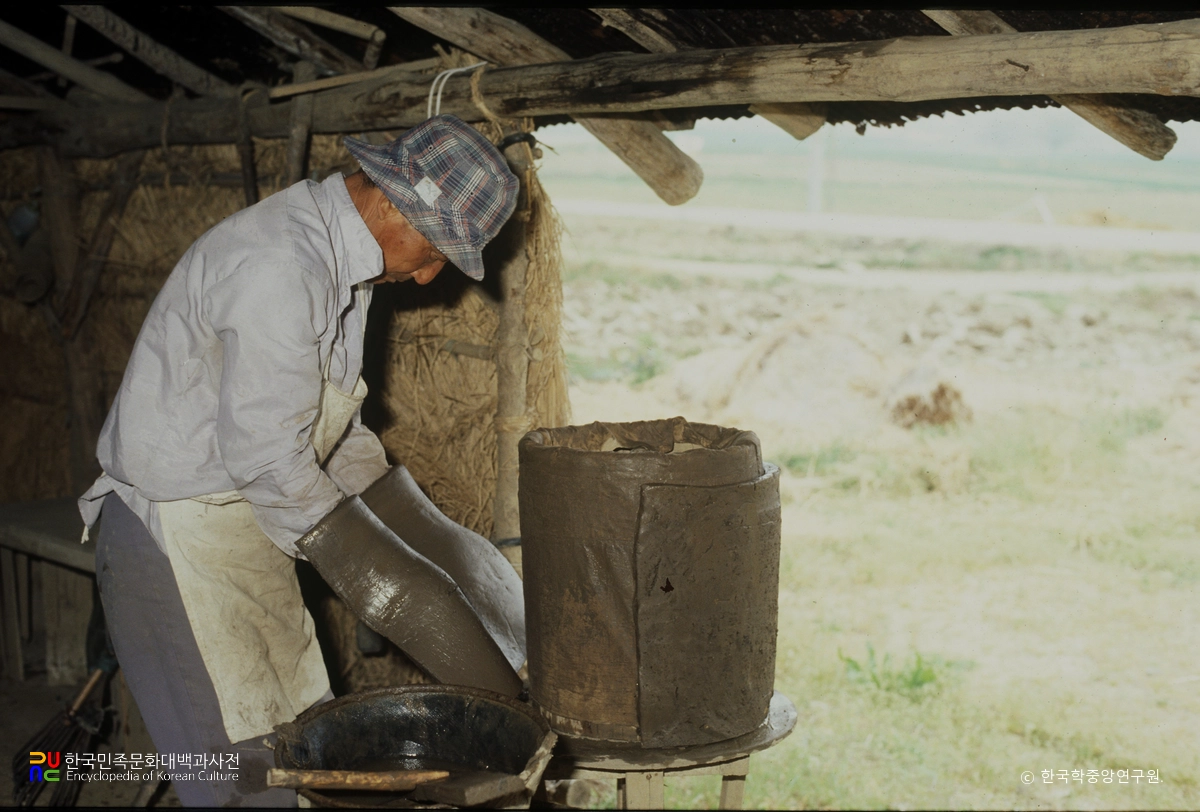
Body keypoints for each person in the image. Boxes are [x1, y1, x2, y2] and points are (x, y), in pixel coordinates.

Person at [78, 116, 519, 807]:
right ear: (391, 200)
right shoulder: (281, 265)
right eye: (434, 249)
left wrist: (429, 535)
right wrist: (391, 582)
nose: (430, 273)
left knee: (298, 754)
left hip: (246, 527)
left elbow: (328, 432)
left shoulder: (348, 268)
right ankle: (80, 771)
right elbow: (267, 458)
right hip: (177, 541)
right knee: (233, 778)